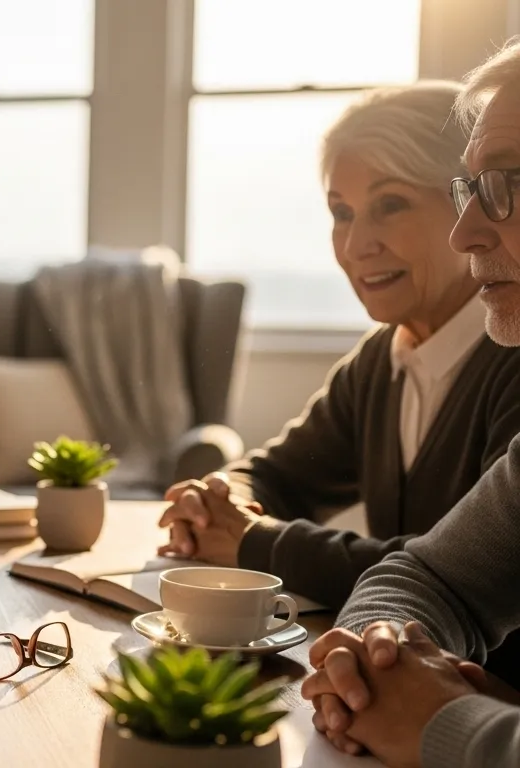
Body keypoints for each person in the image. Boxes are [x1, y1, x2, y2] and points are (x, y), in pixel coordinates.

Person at [156, 81, 520, 619]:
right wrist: (216, 501)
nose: (355, 246)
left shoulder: (510, 358)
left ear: (468, 201)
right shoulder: (380, 359)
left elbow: (452, 575)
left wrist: (254, 541)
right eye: (341, 212)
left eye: (390, 204)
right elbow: (279, 475)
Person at [302, 39, 520, 768]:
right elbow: (427, 574)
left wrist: (447, 724)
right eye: (471, 191)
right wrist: (376, 654)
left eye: (506, 187)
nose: (468, 233)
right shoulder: (377, 362)